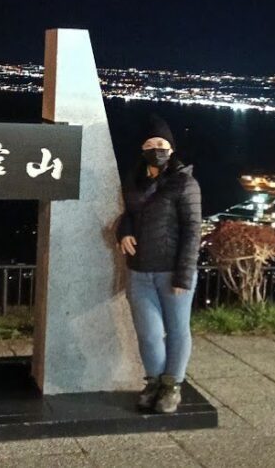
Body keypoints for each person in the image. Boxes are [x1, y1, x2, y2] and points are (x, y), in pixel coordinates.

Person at [117, 114, 201, 414]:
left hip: (171, 271)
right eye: (151, 144)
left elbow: (193, 230)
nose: (157, 149)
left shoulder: (184, 183)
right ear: (142, 149)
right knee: (149, 334)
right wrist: (123, 230)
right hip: (139, 270)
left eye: (162, 144)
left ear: (172, 149)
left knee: (177, 330)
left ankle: (171, 385)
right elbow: (131, 213)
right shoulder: (135, 180)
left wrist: (184, 275)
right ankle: (153, 381)